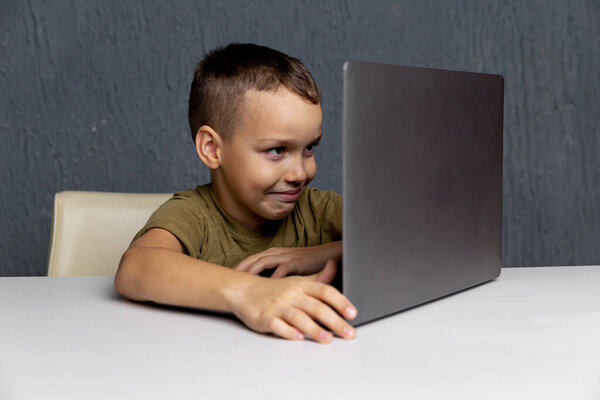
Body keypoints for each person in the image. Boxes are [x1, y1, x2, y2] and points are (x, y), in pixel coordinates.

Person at [114, 43, 357, 344]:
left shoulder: (318, 209)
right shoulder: (193, 214)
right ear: (212, 149)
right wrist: (250, 292)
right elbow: (135, 267)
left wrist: (320, 254)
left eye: (309, 148)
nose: (300, 173)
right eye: (277, 150)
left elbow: (410, 239)